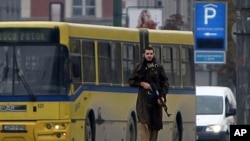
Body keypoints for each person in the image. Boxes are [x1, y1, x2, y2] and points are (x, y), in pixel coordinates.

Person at [128, 47, 169, 141]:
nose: (149, 56)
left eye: (151, 53)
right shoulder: (139, 67)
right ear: (144, 55)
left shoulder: (158, 68)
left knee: (154, 128)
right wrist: (142, 84)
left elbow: (165, 83)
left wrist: (162, 96)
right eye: (147, 54)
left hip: (156, 102)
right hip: (143, 102)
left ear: (153, 55)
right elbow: (131, 81)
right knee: (143, 125)